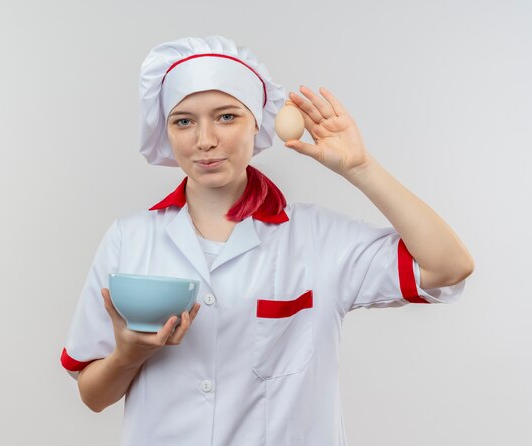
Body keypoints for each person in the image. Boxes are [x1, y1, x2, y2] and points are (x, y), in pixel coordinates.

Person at [60, 35, 474, 445]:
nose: (205, 140)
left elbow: (448, 266)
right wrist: (129, 355)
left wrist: (360, 168)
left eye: (226, 116)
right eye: (184, 120)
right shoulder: (129, 239)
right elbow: (94, 395)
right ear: (166, 131)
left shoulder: (316, 237)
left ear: (257, 120)